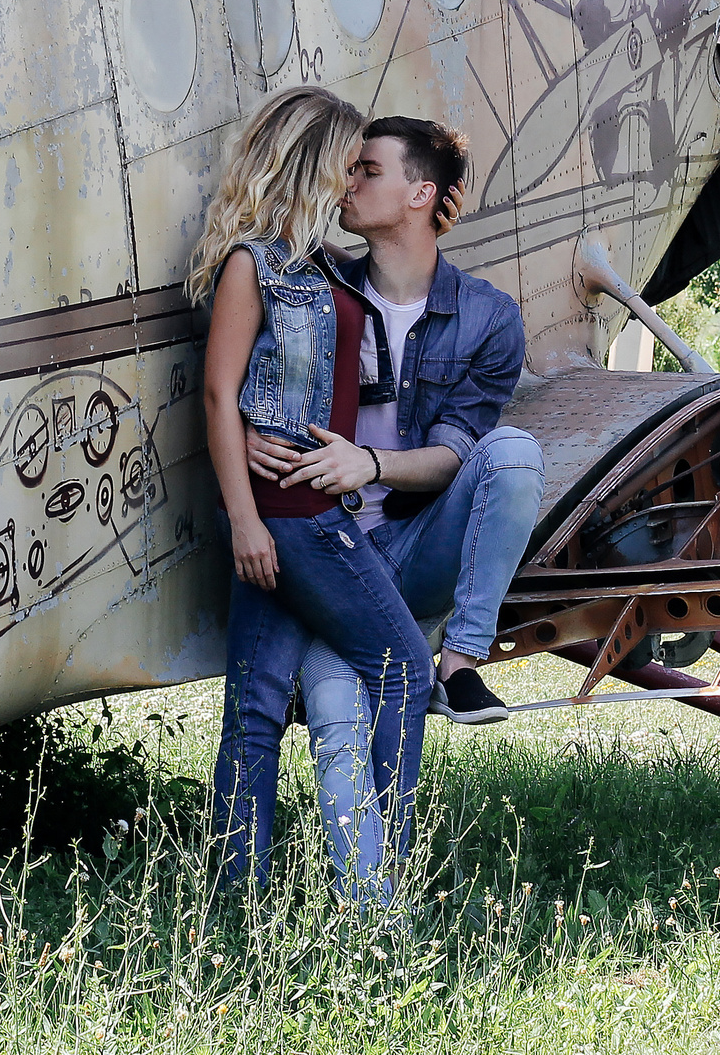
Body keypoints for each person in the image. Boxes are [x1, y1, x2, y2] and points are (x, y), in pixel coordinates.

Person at [198, 87, 430, 901]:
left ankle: (237, 905)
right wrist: (243, 521)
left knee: (257, 708)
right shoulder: (250, 264)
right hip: (292, 520)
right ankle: (388, 882)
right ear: (311, 159)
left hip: (307, 511)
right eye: (345, 163)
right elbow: (220, 396)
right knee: (406, 665)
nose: (349, 180)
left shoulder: (325, 265)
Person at [248, 117, 545, 725]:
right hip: (328, 550)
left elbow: (455, 457)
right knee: (338, 734)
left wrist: (371, 465)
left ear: (421, 194)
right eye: (349, 169)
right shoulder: (313, 285)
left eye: (367, 170)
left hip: (415, 544)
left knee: (513, 452)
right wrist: (254, 428)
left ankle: (459, 662)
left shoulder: (488, 318)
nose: (349, 182)